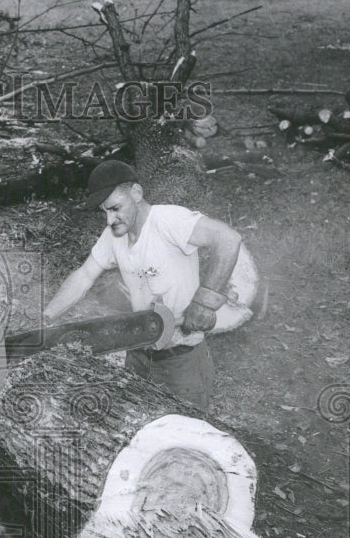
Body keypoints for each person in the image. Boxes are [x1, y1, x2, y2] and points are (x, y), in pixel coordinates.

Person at [43, 160, 242, 413]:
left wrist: (205, 302)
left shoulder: (169, 220)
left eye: (115, 208)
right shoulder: (114, 235)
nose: (109, 219)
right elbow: (84, 275)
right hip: (137, 352)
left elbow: (228, 239)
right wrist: (47, 316)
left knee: (183, 433)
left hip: (181, 358)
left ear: (136, 193)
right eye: (104, 211)